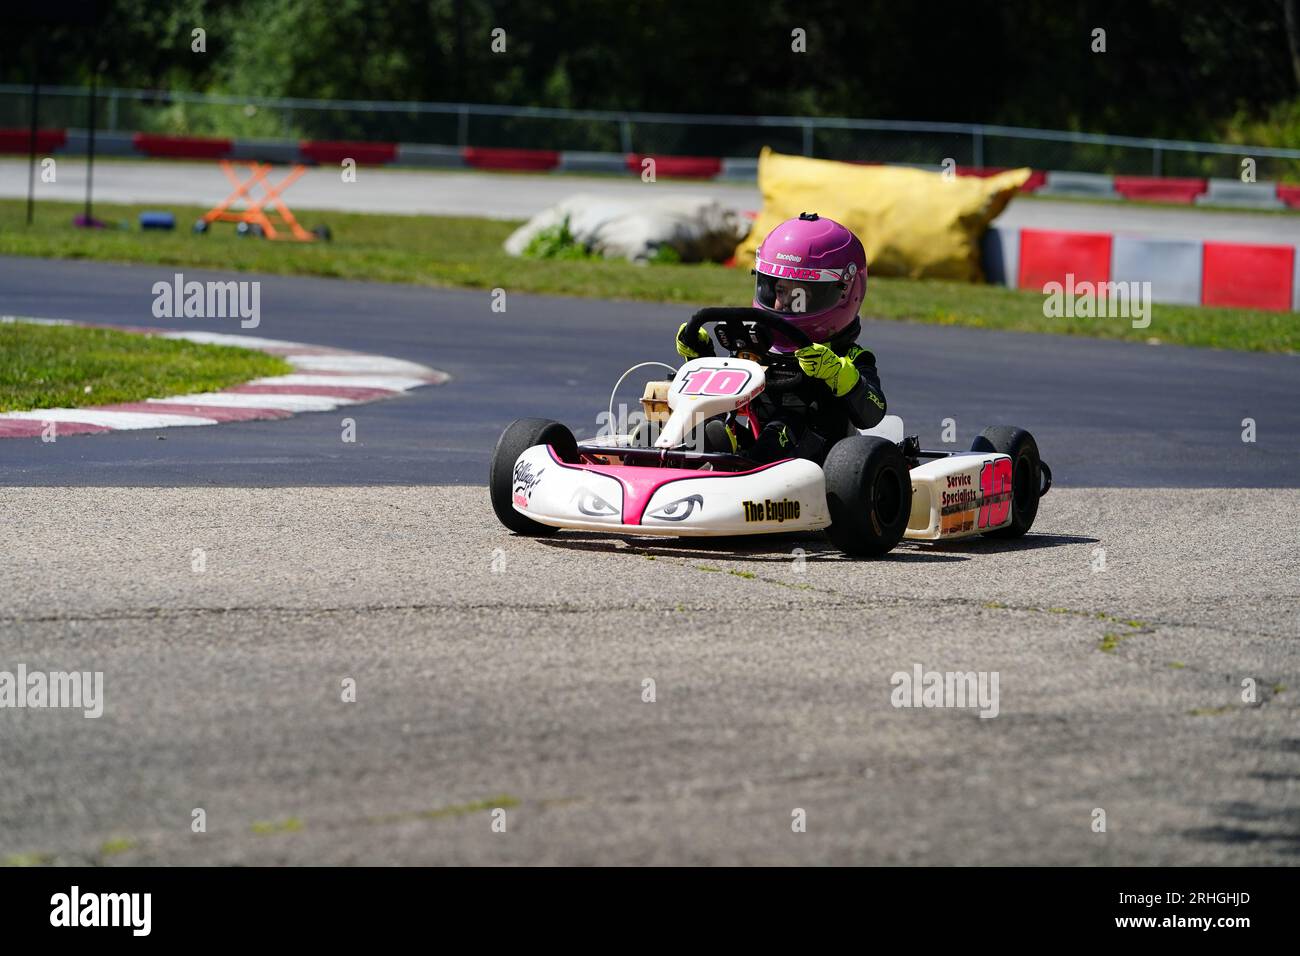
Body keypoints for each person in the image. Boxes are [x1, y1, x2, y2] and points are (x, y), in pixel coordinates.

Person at [675, 212, 887, 463]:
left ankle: (739, 468)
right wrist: (700, 357)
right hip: (758, 446)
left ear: (843, 292)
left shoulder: (850, 357)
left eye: (796, 293)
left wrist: (836, 373)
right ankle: (679, 454)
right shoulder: (760, 347)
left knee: (782, 428)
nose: (781, 303)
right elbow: (724, 397)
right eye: (778, 290)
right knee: (708, 423)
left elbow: (873, 412)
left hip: (821, 458)